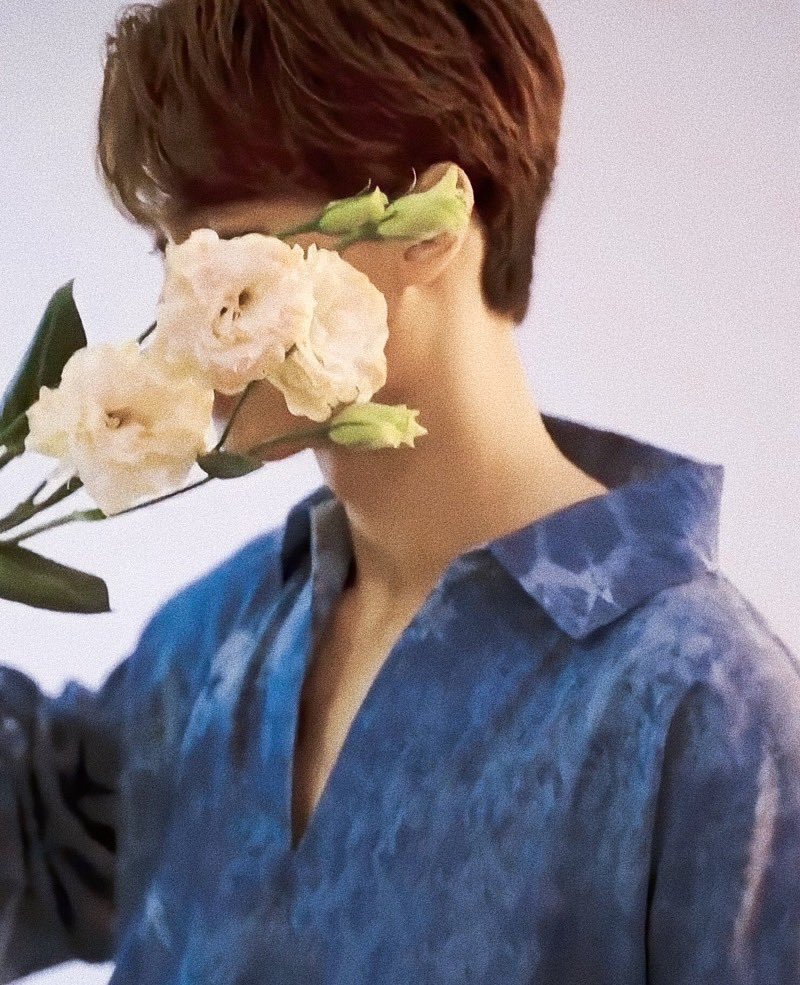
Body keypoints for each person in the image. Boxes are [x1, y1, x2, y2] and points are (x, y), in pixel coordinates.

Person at [2, 0, 799, 981]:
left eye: (230, 242)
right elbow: (33, 839)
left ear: (427, 226)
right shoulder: (216, 641)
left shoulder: (702, 714)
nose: (176, 320)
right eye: (169, 253)